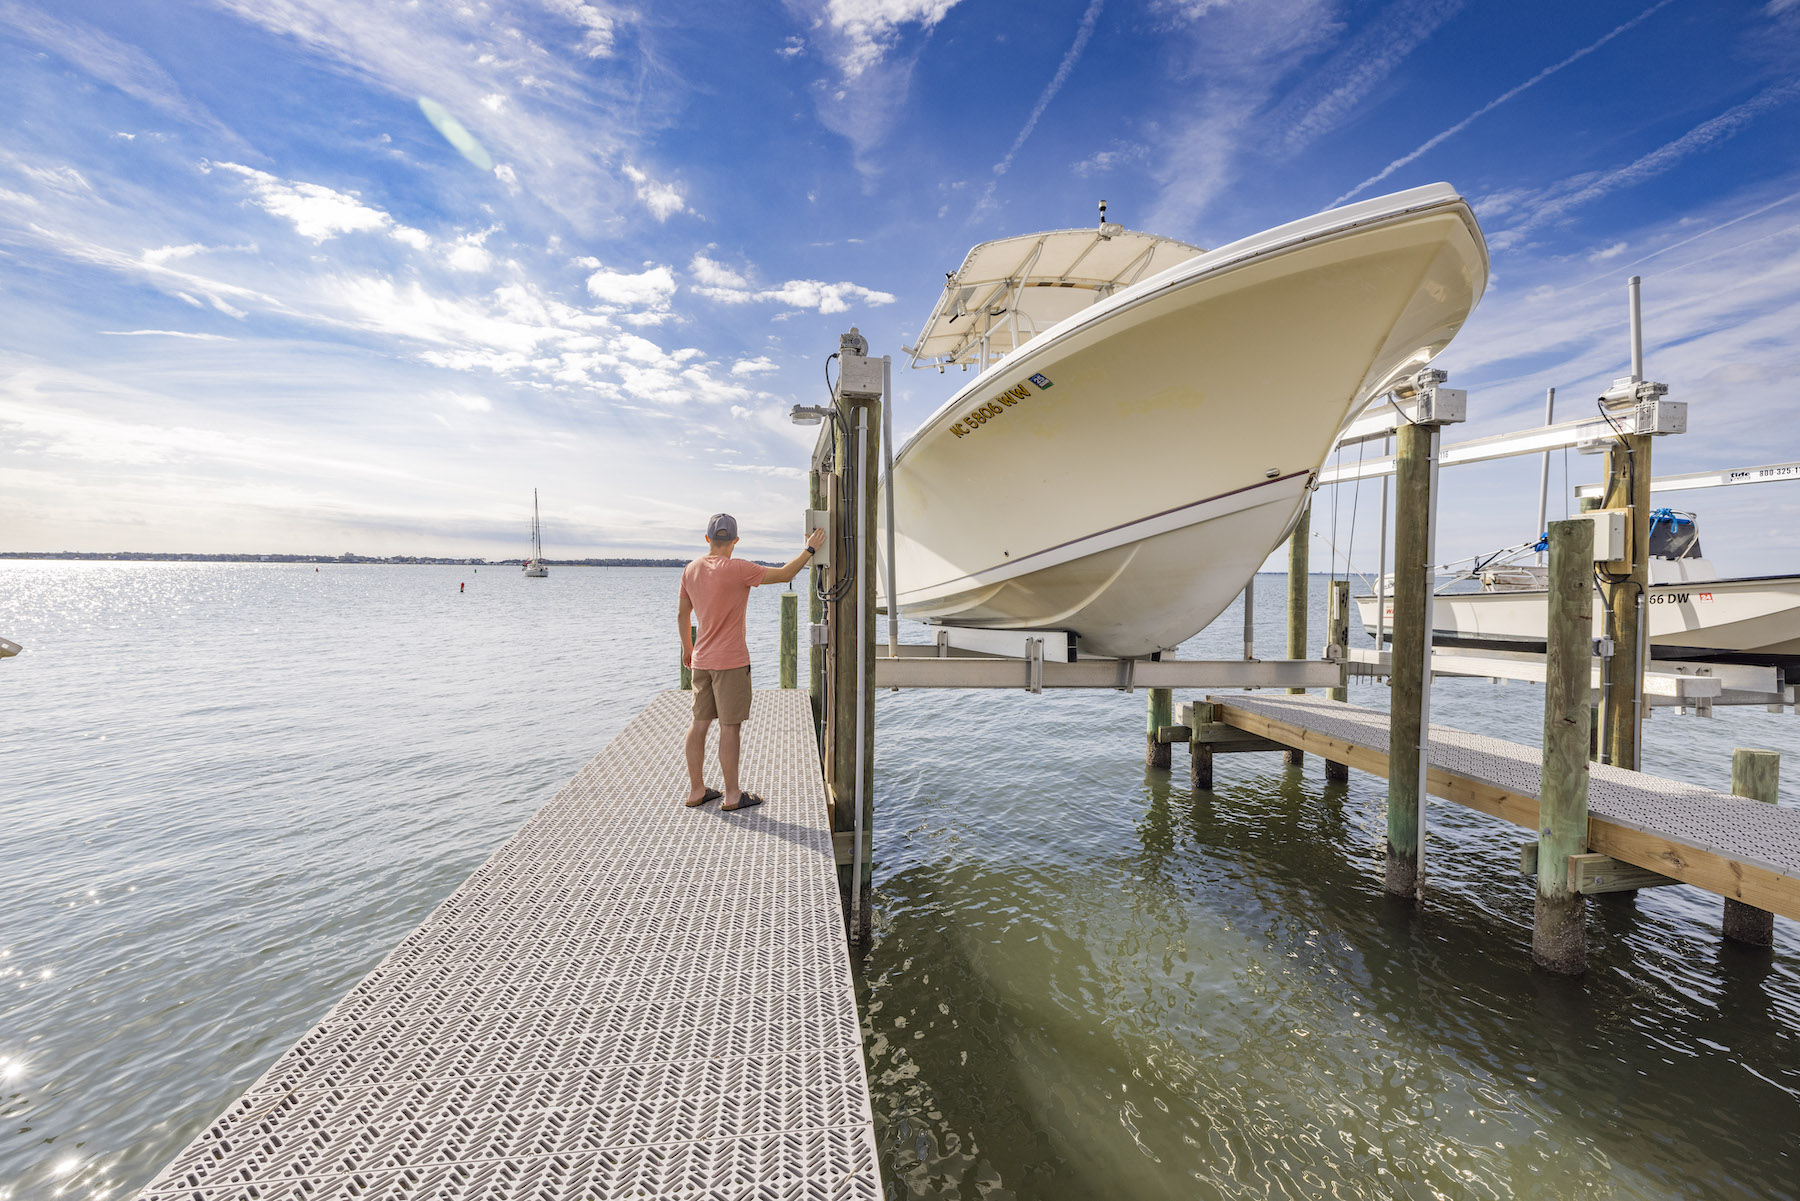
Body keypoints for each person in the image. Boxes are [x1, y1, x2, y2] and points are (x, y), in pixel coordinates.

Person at [679, 513, 826, 811]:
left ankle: (696, 790)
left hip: (702, 659)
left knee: (699, 723)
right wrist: (809, 550)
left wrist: (688, 648)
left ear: (708, 539)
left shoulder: (690, 569)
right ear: (735, 541)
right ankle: (732, 795)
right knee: (729, 727)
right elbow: (785, 574)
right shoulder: (739, 569)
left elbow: (682, 614)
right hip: (730, 662)